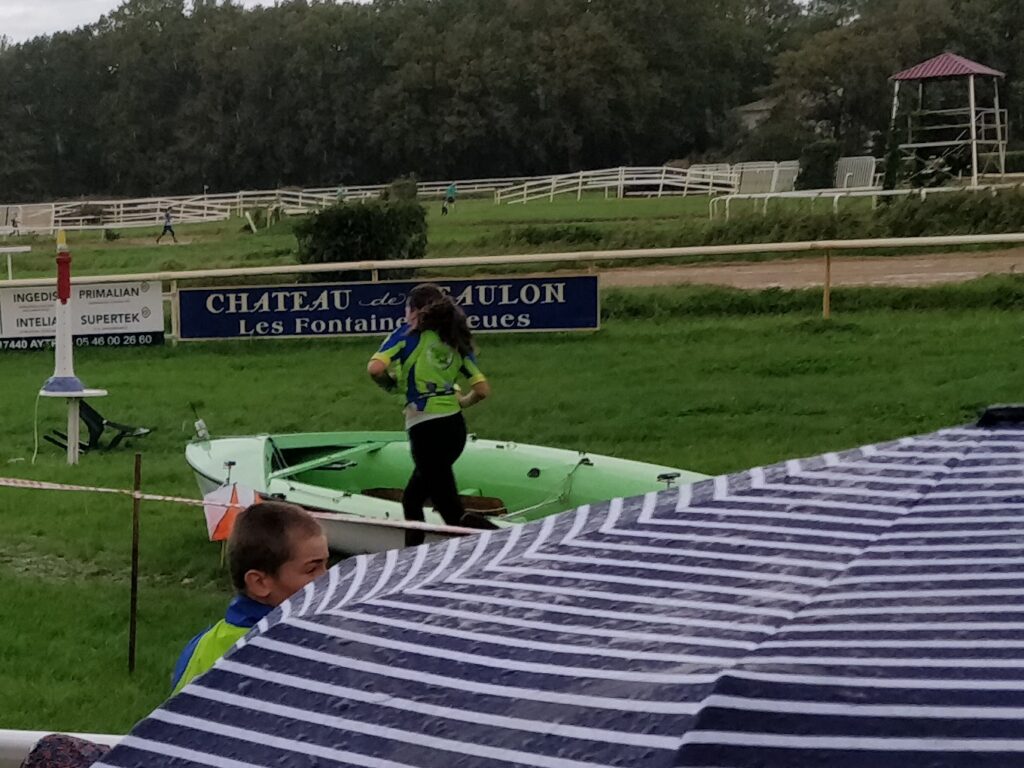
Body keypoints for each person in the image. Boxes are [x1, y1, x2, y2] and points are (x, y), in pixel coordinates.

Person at [367, 283, 492, 545]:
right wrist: (462, 401)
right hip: (455, 429)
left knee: (450, 510)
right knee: (412, 500)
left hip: (426, 430)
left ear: (413, 311)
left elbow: (375, 368)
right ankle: (413, 555)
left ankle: (495, 542)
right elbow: (482, 389)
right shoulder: (454, 338)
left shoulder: (407, 335)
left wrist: (391, 386)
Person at [169, 501, 328, 694]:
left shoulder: (201, 645)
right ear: (259, 583)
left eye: (326, 565)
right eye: (312, 569)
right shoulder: (284, 652)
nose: (327, 578)